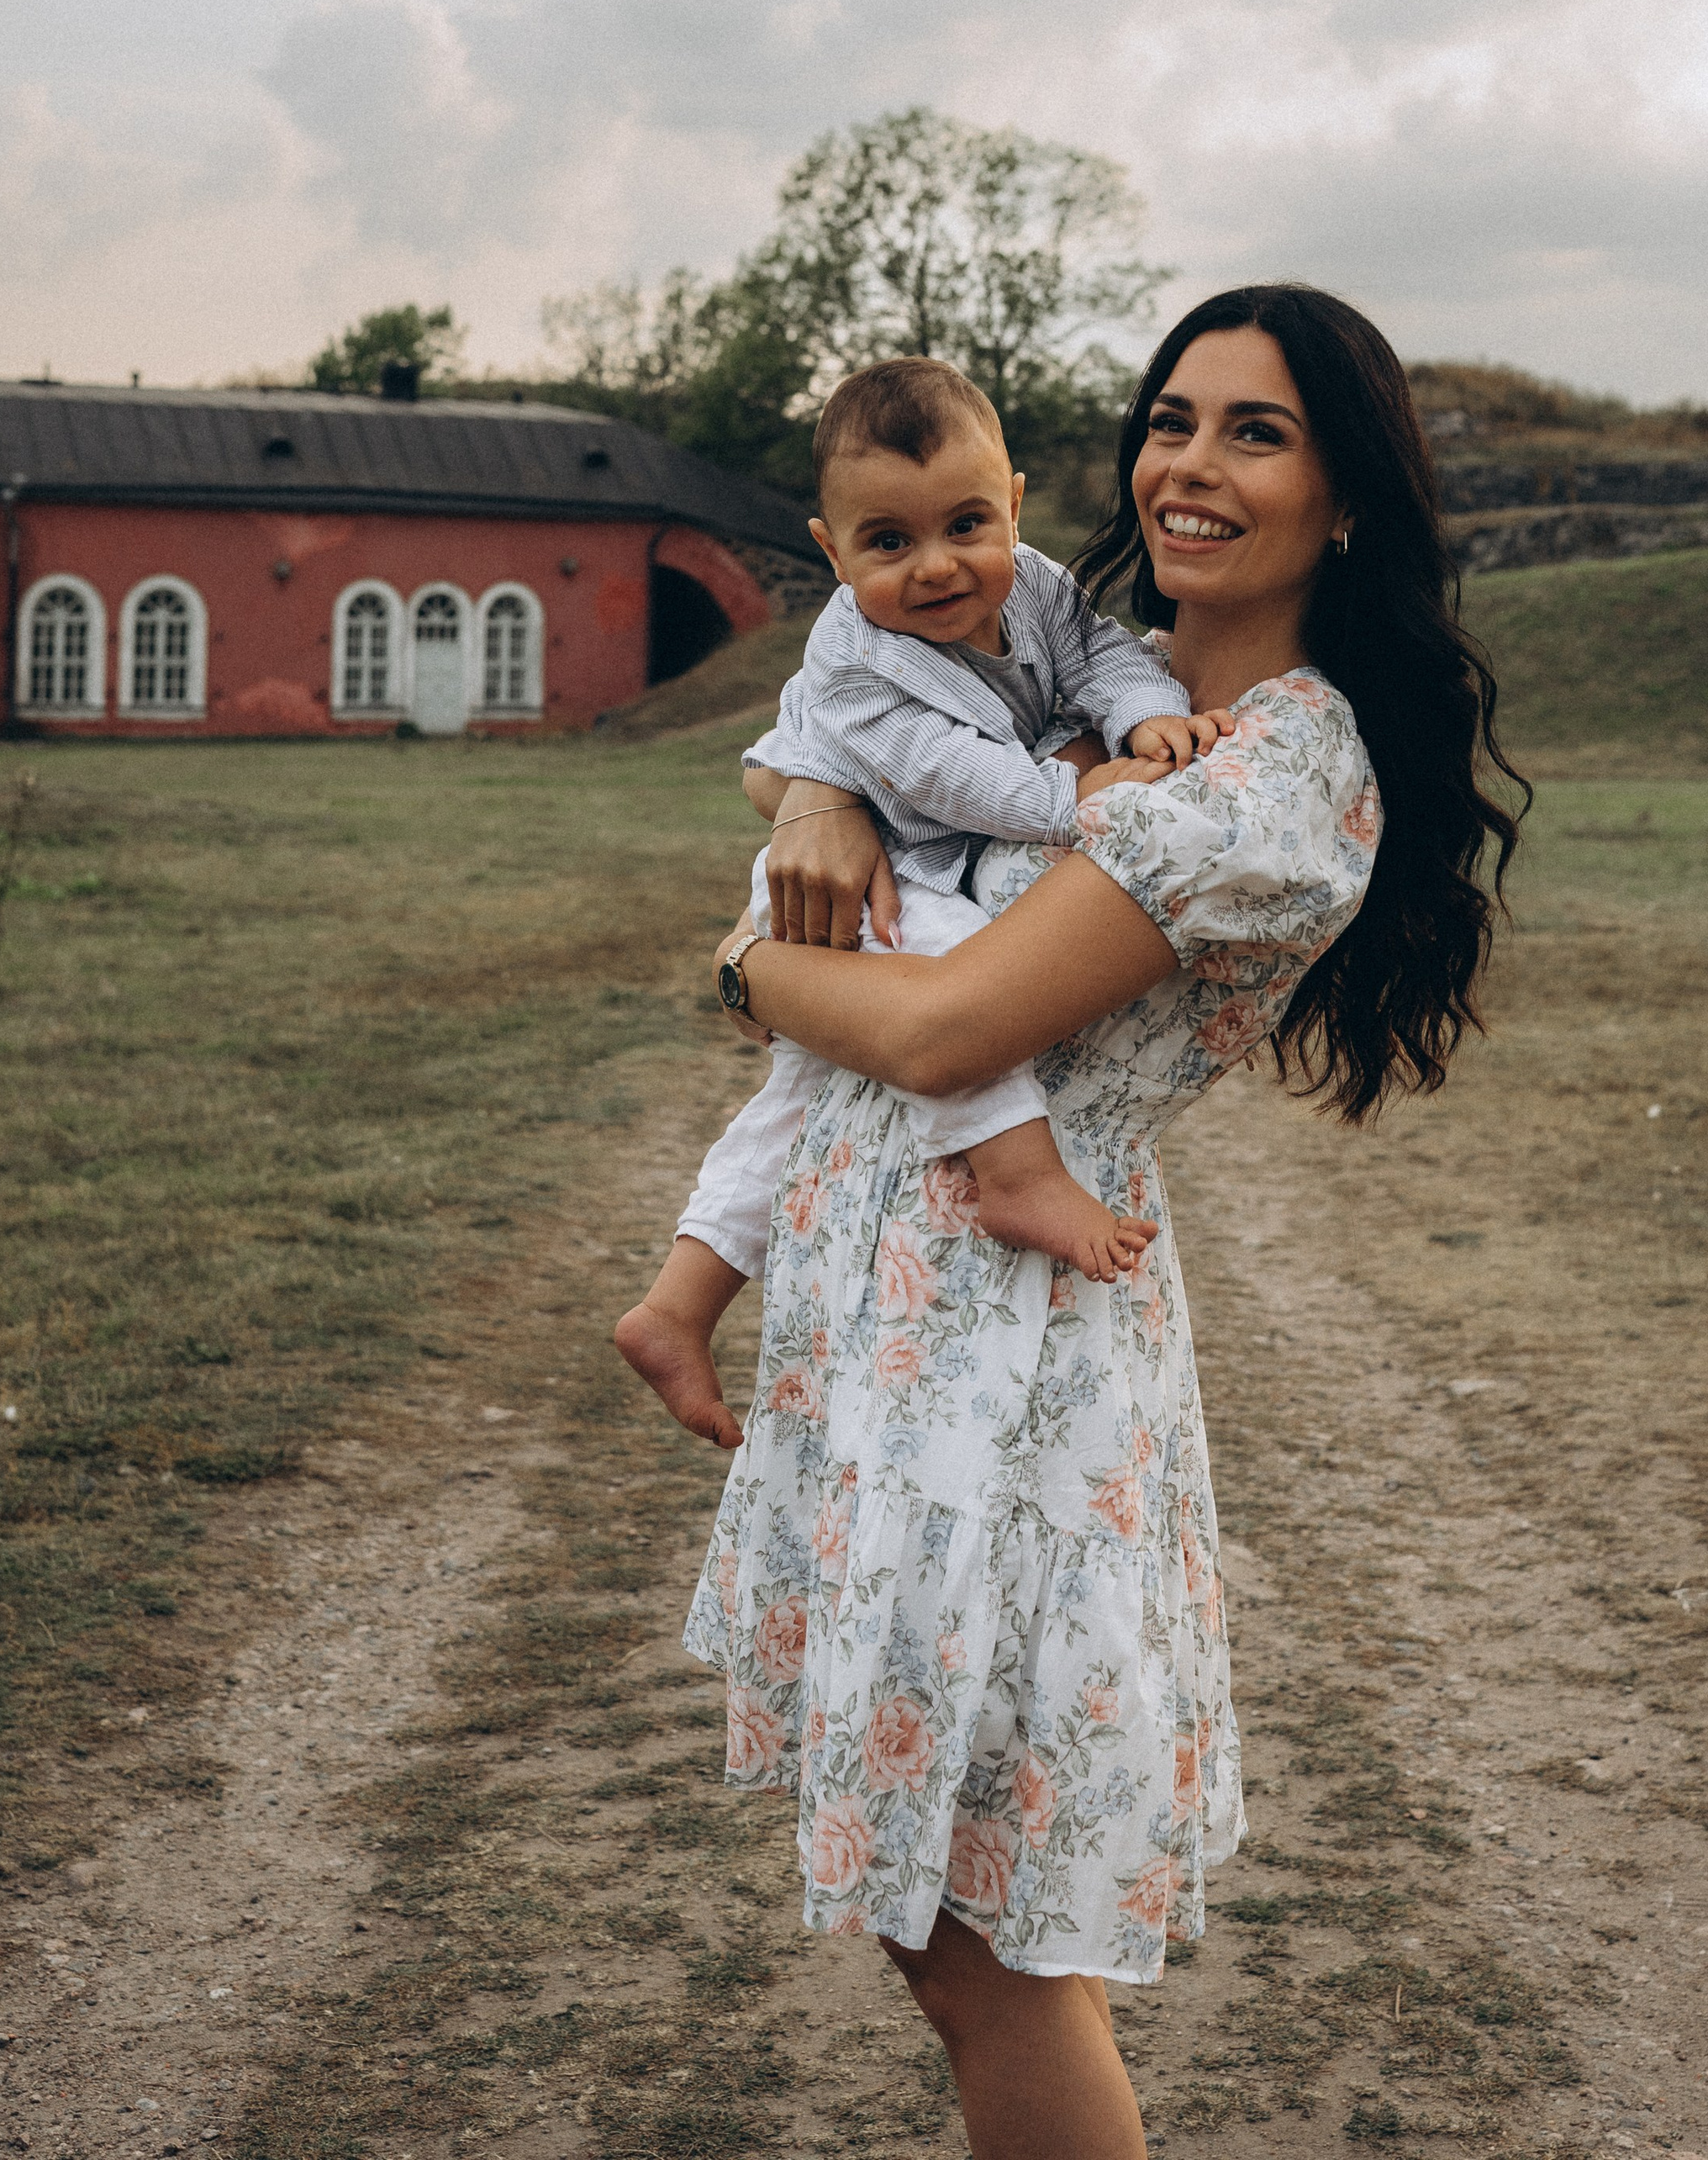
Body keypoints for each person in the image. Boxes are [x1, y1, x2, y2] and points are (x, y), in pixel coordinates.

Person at [666, 284, 1525, 2160]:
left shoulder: (1276, 776)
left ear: (1348, 500)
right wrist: (810, 789)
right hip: (904, 1329)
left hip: (1007, 1366)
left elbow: (948, 1024)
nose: (1187, 466)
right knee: (939, 1940)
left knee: (975, 1950)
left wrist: (743, 958)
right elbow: (851, 714)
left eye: (1256, 432)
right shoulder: (1106, 665)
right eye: (1170, 417)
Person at [617, 354, 1239, 1453]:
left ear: (1013, 502)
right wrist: (1079, 793)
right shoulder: (851, 657)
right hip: (876, 877)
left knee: (796, 1096)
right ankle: (1017, 1174)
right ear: (832, 549)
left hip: (918, 854)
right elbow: (937, 770)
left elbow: (1102, 658)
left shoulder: (1041, 587)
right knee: (948, 989)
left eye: (967, 524)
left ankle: (677, 1304)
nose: (939, 566)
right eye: (889, 543)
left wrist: (1145, 718)